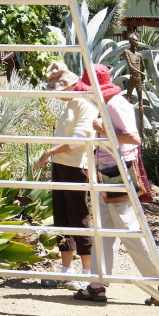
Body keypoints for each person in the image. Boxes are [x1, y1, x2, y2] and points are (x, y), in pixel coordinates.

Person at [73, 64, 159, 306]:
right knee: (106, 230)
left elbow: (133, 137)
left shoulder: (114, 104)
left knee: (129, 231)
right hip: (108, 173)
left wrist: (103, 130)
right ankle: (97, 284)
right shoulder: (108, 104)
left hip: (117, 173)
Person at [34, 61, 97, 290]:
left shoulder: (84, 104)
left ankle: (87, 272)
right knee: (62, 217)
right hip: (61, 164)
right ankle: (66, 269)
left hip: (75, 166)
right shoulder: (71, 104)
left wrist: (49, 152)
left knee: (78, 217)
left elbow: (79, 138)